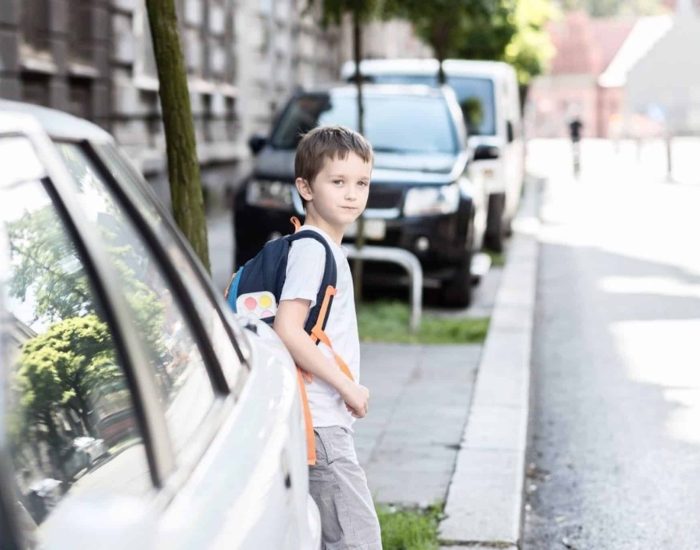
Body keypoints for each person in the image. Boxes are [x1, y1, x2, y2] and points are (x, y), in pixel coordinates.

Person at [273, 125, 382, 549]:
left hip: (320, 419)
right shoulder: (313, 249)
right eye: (338, 182)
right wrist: (347, 387)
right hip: (320, 420)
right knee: (358, 539)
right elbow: (288, 330)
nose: (352, 194)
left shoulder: (322, 247)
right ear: (306, 187)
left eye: (362, 183)